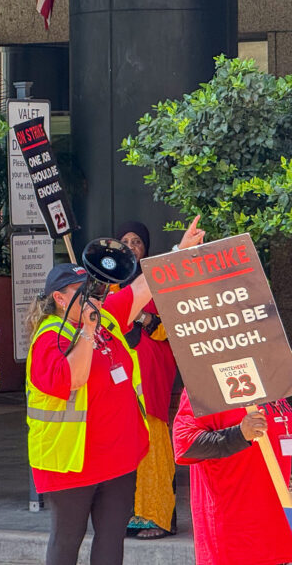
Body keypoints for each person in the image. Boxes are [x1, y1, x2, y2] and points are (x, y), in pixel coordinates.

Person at [25, 217, 204, 565]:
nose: (91, 295)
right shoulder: (49, 338)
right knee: (67, 542)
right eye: (82, 291)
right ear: (60, 299)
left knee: (111, 544)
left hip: (119, 459)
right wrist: (88, 332)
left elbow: (141, 290)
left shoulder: (104, 317)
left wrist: (179, 253)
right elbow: (74, 378)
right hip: (72, 464)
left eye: (91, 288)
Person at [173, 391, 292, 565]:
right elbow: (184, 442)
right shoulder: (206, 382)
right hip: (234, 537)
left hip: (276, 531)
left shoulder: (273, 380)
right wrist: (239, 434)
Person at [117, 221, 178, 539]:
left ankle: (154, 517)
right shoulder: (106, 285)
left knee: (152, 448)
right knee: (120, 449)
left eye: (136, 241)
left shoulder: (158, 281)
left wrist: (142, 316)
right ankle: (124, 517)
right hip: (115, 381)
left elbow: (172, 328)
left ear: (146, 249)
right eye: (124, 240)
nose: (130, 246)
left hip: (149, 378)